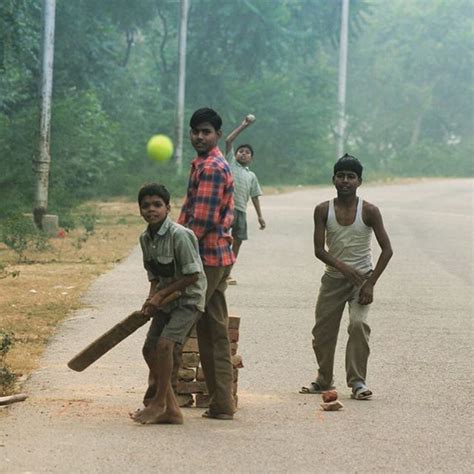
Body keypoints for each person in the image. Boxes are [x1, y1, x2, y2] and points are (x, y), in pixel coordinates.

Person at [300, 154, 393, 400]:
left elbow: (387, 250)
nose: (345, 181)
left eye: (351, 177)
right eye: (341, 176)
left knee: (358, 325)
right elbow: (319, 250)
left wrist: (370, 283)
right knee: (323, 332)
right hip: (332, 280)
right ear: (333, 179)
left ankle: (358, 382)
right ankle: (323, 379)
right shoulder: (322, 210)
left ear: (359, 181)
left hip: (362, 282)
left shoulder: (370, 211)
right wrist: (343, 268)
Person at [130, 183, 207, 424]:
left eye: (157, 205)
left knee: (165, 346)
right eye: (146, 206)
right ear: (140, 210)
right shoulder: (145, 238)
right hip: (165, 300)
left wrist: (159, 297)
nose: (151, 210)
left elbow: (192, 276)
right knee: (149, 349)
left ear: (167, 207)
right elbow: (154, 277)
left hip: (189, 299)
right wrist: (151, 299)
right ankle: (173, 411)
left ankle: (159, 403)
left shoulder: (179, 235)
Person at [178, 107, 236, 420]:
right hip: (212, 257)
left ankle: (161, 401)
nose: (200, 137)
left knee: (176, 324)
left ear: (216, 135)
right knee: (214, 331)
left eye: (206, 132)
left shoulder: (213, 167)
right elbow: (189, 212)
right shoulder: (201, 162)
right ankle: (222, 404)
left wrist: (176, 256)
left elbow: (199, 222)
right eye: (195, 131)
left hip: (207, 258)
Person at [224, 114, 265, 284]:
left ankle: (227, 272)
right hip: (226, 208)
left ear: (251, 158)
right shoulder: (230, 162)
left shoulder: (251, 176)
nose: (243, 154)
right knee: (223, 239)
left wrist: (260, 216)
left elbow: (255, 196)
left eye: (247, 153)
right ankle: (219, 269)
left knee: (238, 241)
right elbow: (228, 141)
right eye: (241, 151)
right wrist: (244, 125)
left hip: (241, 211)